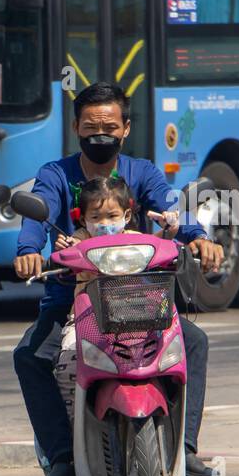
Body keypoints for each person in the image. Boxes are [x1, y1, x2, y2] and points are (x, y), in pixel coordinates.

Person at [13, 82, 224, 476]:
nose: (100, 135)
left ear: (126, 128)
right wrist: (27, 251)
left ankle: (184, 449)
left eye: (109, 126)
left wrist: (198, 236)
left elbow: (170, 209)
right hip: (71, 298)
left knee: (195, 341)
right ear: (75, 127)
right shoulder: (56, 175)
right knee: (30, 356)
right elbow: (36, 217)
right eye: (91, 126)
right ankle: (61, 458)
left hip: (142, 296)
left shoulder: (143, 173)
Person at [51, 175, 149, 428]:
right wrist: (66, 250)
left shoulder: (136, 238)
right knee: (67, 362)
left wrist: (171, 234)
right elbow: (65, 252)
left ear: (126, 216)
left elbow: (158, 248)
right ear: (84, 219)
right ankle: (77, 426)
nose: (104, 223)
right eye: (96, 217)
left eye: (112, 216)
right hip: (88, 317)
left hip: (135, 315)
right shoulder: (80, 239)